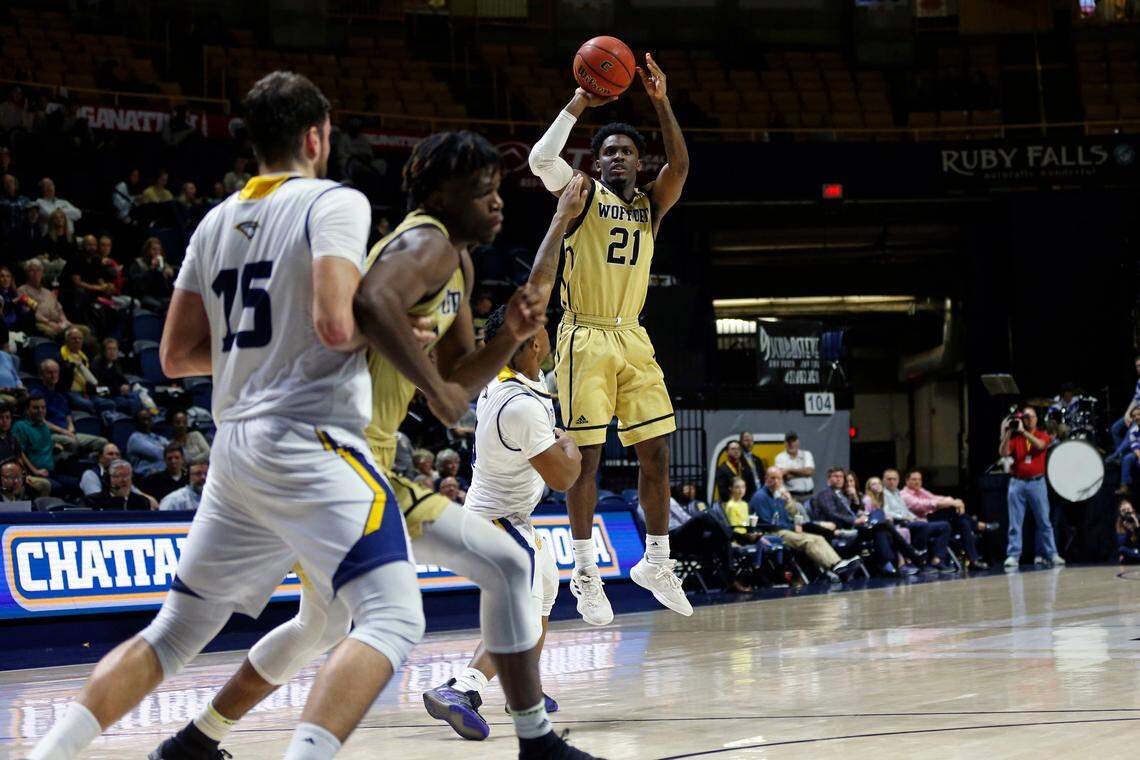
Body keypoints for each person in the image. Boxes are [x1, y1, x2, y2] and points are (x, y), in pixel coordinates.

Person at [144, 121, 594, 760]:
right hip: (342, 458)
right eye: (483, 189)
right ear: (442, 195)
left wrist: (505, 333)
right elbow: (376, 305)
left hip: (340, 456)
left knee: (318, 625)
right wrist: (432, 388)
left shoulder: (454, 263)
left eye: (498, 189)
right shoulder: (425, 245)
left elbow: (462, 377)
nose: (496, 201)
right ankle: (531, 738)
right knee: (488, 576)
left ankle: (193, 742)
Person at [29, 70, 422, 760]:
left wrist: (264, 355)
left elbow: (176, 355)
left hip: (235, 450)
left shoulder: (214, 221)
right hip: (308, 437)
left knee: (173, 633)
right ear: (315, 136)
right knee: (392, 617)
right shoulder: (335, 201)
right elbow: (336, 326)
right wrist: (391, 335)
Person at [525, 51, 692, 624]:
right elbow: (539, 157)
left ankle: (656, 560)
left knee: (659, 454)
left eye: (625, 152)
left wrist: (662, 101)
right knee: (587, 459)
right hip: (584, 335)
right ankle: (586, 573)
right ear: (596, 165)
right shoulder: (580, 194)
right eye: (607, 152)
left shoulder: (651, 206)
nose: (616, 158)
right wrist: (579, 100)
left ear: (638, 162)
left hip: (632, 337)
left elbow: (681, 166)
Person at [423, 303, 583, 740]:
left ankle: (521, 692)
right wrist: (570, 445)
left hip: (509, 517)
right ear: (533, 344)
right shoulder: (520, 407)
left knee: (545, 589)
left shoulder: (513, 379)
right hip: (496, 522)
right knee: (524, 615)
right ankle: (461, 689)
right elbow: (565, 478)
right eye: (545, 330)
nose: (549, 335)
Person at [752, 466, 862, 580]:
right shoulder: (760, 497)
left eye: (779, 479)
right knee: (808, 541)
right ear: (766, 478)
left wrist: (789, 502)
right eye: (772, 478)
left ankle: (838, 564)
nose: (776, 481)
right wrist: (793, 527)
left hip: (785, 530)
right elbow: (769, 523)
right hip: (771, 533)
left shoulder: (778, 496)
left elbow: (794, 514)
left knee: (818, 538)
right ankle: (834, 567)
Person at [814, 467, 917, 576]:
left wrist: (855, 499)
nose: (839, 479)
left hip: (858, 527)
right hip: (842, 531)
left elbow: (855, 510)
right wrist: (855, 520)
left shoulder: (841, 495)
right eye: (835, 476)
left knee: (880, 521)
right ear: (828, 479)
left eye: (841, 477)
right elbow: (832, 514)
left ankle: (889, 564)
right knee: (883, 524)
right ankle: (909, 557)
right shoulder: (825, 494)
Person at [999, 407, 1064, 568]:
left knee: (1044, 521)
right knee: (1015, 522)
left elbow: (1041, 446)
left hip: (1037, 483)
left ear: (1036, 419)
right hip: (1017, 482)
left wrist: (1024, 432)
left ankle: (1052, 554)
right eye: (1025, 417)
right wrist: (1007, 432)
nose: (1028, 420)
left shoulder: (1042, 434)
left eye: (1031, 417)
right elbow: (1003, 452)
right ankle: (1013, 555)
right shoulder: (1015, 437)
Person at [901, 469, 991, 571]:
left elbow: (936, 497)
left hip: (930, 523)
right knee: (950, 513)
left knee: (964, 523)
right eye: (914, 479)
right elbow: (922, 505)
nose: (917, 482)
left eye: (919, 479)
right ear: (907, 481)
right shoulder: (904, 495)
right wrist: (952, 503)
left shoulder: (921, 491)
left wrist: (955, 501)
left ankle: (973, 561)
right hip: (919, 525)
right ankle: (978, 525)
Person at [880, 469, 954, 573]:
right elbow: (886, 513)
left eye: (894, 479)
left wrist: (914, 517)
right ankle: (921, 562)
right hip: (897, 524)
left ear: (898, 480)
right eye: (889, 479)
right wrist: (906, 517)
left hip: (909, 522)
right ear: (883, 481)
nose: (892, 481)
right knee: (922, 526)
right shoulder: (883, 494)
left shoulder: (897, 493)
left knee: (944, 526)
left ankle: (937, 559)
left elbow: (906, 510)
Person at [38, 359, 109, 458]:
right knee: (73, 442)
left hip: (68, 433)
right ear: (42, 375)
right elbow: (40, 421)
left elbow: (68, 415)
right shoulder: (37, 395)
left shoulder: (60, 396)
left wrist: (70, 428)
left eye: (55, 372)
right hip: (51, 435)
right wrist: (64, 432)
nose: (53, 375)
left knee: (102, 443)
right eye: (49, 373)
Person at [18, 258, 88, 340]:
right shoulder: (22, 290)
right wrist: (48, 322)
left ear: (42, 273)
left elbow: (59, 309)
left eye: (38, 270)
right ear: (27, 273)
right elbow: (29, 313)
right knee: (52, 333)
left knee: (85, 330)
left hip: (58, 323)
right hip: (41, 323)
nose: (35, 273)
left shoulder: (48, 292)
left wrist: (65, 321)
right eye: (31, 271)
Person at [60, 327, 115, 416]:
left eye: (79, 338)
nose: (77, 341)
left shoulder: (84, 357)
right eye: (73, 338)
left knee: (109, 403)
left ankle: (106, 419)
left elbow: (91, 381)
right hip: (71, 392)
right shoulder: (61, 355)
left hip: (88, 392)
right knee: (88, 404)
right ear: (66, 340)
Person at [0, 404, 49, 495]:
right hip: (4, 478)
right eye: (1, 417)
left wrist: (24, 476)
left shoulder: (12, 439)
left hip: (15, 476)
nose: (4, 421)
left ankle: (35, 508)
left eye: (7, 417)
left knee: (45, 485)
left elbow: (19, 460)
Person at [12, 394, 58, 477]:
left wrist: (55, 446)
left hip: (53, 471)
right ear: (27, 410)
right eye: (35, 408)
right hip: (35, 474)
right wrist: (35, 471)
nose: (40, 410)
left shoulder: (44, 426)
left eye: (43, 407)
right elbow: (18, 452)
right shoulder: (20, 426)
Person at [84, 459, 154, 511]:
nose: (123, 480)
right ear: (108, 479)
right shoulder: (93, 501)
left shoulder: (142, 502)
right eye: (118, 476)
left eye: (126, 475)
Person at [127, 409, 169, 477]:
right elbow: (157, 454)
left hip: (163, 472)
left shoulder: (156, 436)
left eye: (148, 419)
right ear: (136, 422)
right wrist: (164, 448)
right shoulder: (135, 439)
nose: (146, 422)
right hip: (145, 476)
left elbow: (175, 449)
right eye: (143, 420)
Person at [1110, 354, 1140, 449]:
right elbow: (1135, 399)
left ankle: (1117, 456)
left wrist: (1135, 416)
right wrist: (1128, 413)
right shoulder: (1139, 382)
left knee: (1129, 434)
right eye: (1137, 366)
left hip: (1138, 416)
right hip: (1135, 413)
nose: (1138, 368)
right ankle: (1121, 457)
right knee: (1114, 428)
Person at [775, 431, 816, 501]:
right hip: (792, 496)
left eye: (793, 441)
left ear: (798, 442)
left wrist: (789, 470)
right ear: (785, 443)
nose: (791, 444)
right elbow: (785, 476)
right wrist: (804, 473)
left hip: (810, 495)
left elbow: (809, 472)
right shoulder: (780, 457)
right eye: (788, 442)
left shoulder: (807, 454)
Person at [1117, 498, 1140, 563]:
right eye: (1123, 510)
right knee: (1122, 550)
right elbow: (1123, 543)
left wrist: (1136, 524)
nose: (1127, 512)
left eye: (1128, 509)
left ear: (1133, 510)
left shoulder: (1138, 518)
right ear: (1120, 513)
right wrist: (1129, 530)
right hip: (1134, 550)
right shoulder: (1122, 524)